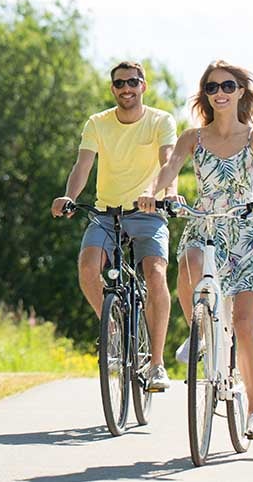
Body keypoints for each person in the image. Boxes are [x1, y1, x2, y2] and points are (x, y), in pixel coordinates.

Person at [138, 59, 253, 439]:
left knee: (243, 324)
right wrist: (151, 193)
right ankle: (199, 332)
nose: (219, 93)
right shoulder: (193, 138)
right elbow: (168, 169)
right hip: (205, 225)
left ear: (240, 92)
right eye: (212, 87)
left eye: (227, 86)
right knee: (189, 261)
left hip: (248, 233)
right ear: (206, 94)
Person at [51, 61, 178, 391]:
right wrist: (68, 196)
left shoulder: (160, 121)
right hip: (106, 212)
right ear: (113, 88)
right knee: (88, 267)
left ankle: (157, 364)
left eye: (133, 82)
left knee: (155, 274)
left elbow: (168, 161)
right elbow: (83, 165)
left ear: (143, 86)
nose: (126, 88)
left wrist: (168, 194)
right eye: (120, 83)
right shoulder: (98, 123)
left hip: (148, 212)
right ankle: (112, 329)